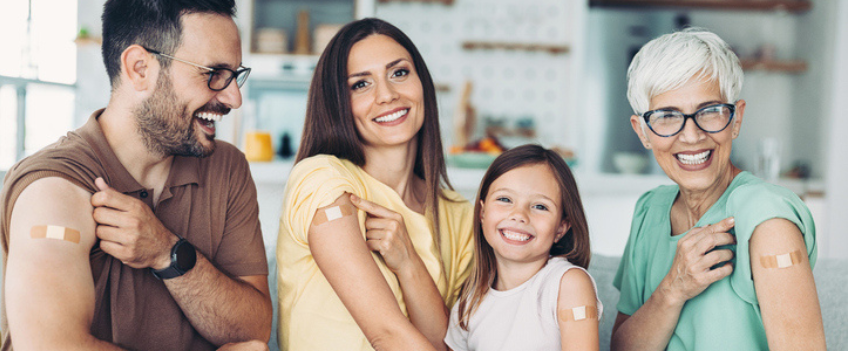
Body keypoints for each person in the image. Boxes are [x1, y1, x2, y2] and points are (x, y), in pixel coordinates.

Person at [0, 0, 272, 350]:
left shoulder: (226, 167)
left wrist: (168, 253)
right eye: (213, 74)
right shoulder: (52, 189)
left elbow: (253, 333)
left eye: (234, 75)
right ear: (140, 68)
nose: (234, 98)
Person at [611, 28, 826, 350]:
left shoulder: (769, 221)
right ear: (643, 131)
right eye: (668, 116)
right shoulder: (649, 210)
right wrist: (673, 288)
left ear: (736, 118)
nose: (692, 136)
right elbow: (624, 347)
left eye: (709, 111)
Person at [276, 18, 474, 351]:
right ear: (338, 102)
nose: (387, 95)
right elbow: (388, 335)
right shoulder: (322, 181)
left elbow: (446, 345)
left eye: (399, 73)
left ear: (422, 82)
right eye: (360, 85)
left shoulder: (458, 214)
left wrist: (409, 262)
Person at [445, 144, 602, 351]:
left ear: (561, 228)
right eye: (504, 199)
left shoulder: (569, 284)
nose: (519, 215)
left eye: (540, 206)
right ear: (482, 213)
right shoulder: (469, 302)